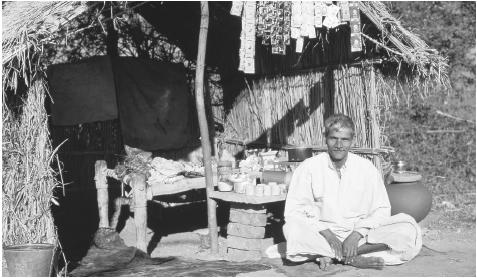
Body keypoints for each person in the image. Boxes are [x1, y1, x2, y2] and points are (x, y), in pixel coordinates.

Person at [283, 114, 422, 270]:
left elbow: (382, 210)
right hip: (321, 235)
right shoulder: (309, 167)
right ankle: (349, 257)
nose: (339, 144)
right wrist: (328, 234)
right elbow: (295, 209)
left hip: (360, 236)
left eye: (344, 139)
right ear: (325, 139)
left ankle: (338, 255)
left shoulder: (366, 169)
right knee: (292, 228)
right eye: (333, 138)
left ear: (352, 141)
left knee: (407, 228)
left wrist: (356, 235)